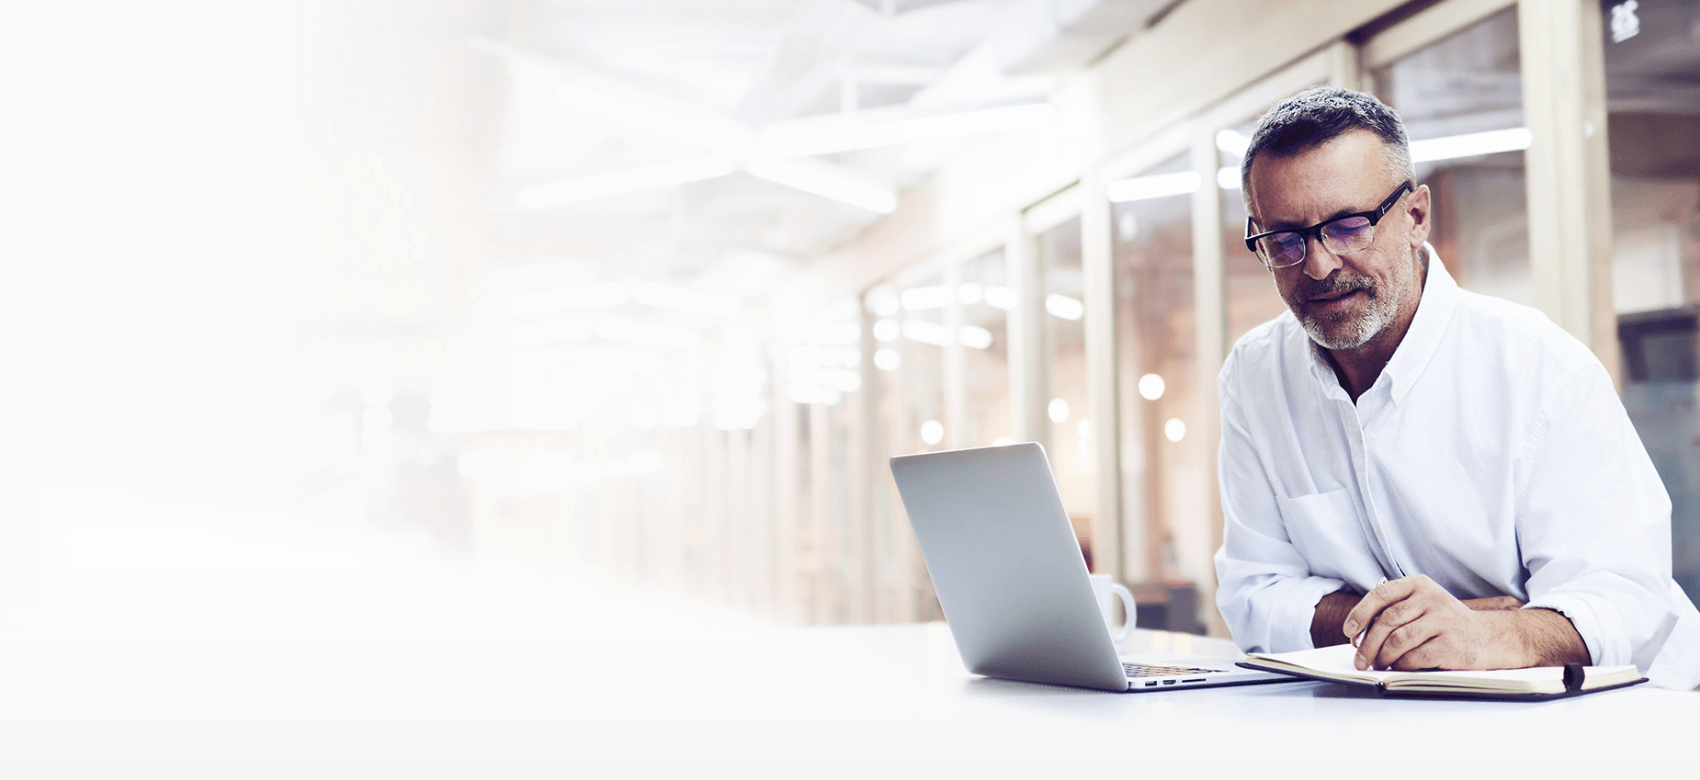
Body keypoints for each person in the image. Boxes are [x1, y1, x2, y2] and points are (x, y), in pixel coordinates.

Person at [1212, 86, 1700, 689]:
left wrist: (1485, 635)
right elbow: (1254, 594)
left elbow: (1628, 599)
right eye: (1285, 241)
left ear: (1416, 216)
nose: (1317, 266)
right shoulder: (1254, 377)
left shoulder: (1540, 370)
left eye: (1348, 227)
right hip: (1404, 718)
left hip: (1620, 718)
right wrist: (1419, 626)